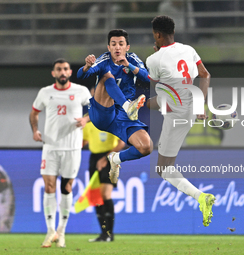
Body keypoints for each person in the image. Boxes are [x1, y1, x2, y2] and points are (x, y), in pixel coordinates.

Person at [146, 16, 215, 227]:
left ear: (157, 34)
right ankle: (200, 197)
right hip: (188, 106)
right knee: (145, 103)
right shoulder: (188, 49)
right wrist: (200, 104)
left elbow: (152, 87)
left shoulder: (154, 59)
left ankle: (201, 197)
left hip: (176, 112)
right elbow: (205, 74)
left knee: (163, 169)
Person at [77, 29, 152, 184]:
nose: (117, 47)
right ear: (108, 47)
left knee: (146, 147)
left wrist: (129, 66)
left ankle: (115, 158)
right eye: (113, 44)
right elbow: (81, 75)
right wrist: (86, 66)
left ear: (127, 47)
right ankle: (127, 106)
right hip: (103, 113)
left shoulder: (132, 59)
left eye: (121, 44)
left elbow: (147, 77)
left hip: (123, 117)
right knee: (106, 77)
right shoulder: (104, 60)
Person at [29, 58, 91, 248]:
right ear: (53, 73)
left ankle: (61, 231)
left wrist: (86, 119)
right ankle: (50, 231)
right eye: (59, 69)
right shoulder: (45, 92)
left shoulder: (81, 91)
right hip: (50, 146)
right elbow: (34, 113)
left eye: (65, 69)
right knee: (48, 187)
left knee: (66, 188)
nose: (62, 72)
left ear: (70, 73)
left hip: (72, 147)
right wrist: (35, 130)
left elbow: (97, 110)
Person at [83, 89, 125, 242]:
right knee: (96, 197)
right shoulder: (88, 119)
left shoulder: (113, 116)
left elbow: (122, 142)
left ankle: (109, 234)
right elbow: (84, 140)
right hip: (94, 158)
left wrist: (106, 158)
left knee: (105, 195)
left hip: (110, 157)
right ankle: (103, 234)